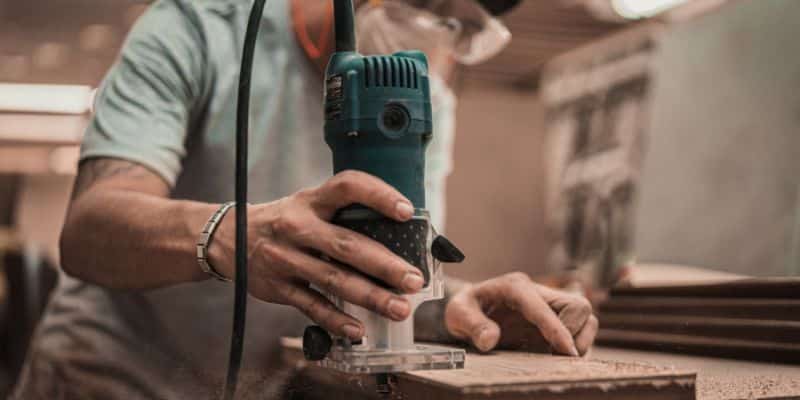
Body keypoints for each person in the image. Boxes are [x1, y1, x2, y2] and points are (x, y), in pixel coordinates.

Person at [12, 0, 598, 398]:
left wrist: (456, 311)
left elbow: (389, 265)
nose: (436, 30)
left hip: (252, 388)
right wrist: (232, 235)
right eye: (429, 4)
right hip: (105, 381)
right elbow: (90, 228)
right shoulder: (197, 29)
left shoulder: (422, 97)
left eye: (460, 24)